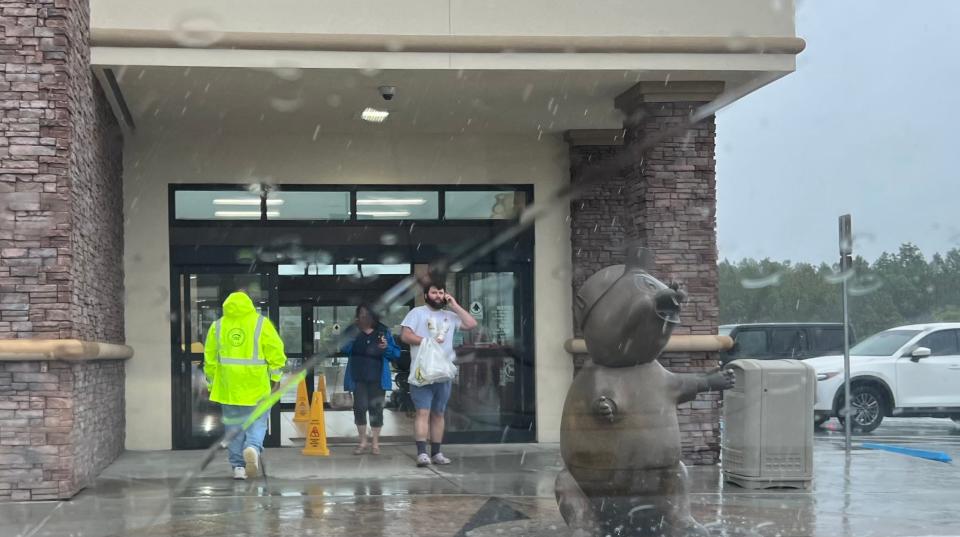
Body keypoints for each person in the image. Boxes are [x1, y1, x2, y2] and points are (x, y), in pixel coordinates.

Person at [203, 291, 286, 480]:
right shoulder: (260, 323)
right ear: (249, 304)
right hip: (256, 385)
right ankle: (253, 447)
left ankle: (238, 467)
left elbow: (209, 359)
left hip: (228, 388)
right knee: (257, 422)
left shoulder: (218, 326)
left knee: (233, 428)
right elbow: (275, 352)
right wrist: (276, 376)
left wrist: (212, 383)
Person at [400, 280, 478, 467]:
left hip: (443, 372)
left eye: (441, 293)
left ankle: (437, 453)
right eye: (434, 293)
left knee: (439, 413)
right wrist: (427, 341)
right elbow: (405, 336)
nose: (438, 296)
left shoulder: (449, 316)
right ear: (426, 295)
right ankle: (421, 453)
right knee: (423, 412)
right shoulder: (416, 313)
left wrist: (455, 305)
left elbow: (471, 323)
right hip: (422, 372)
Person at [341, 303, 401, 455]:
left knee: (376, 410)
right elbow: (344, 348)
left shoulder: (383, 331)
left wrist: (386, 347)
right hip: (358, 377)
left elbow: (396, 354)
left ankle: (375, 443)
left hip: (378, 377)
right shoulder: (353, 331)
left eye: (368, 314)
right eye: (361, 314)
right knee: (360, 408)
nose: (364, 317)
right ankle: (362, 441)